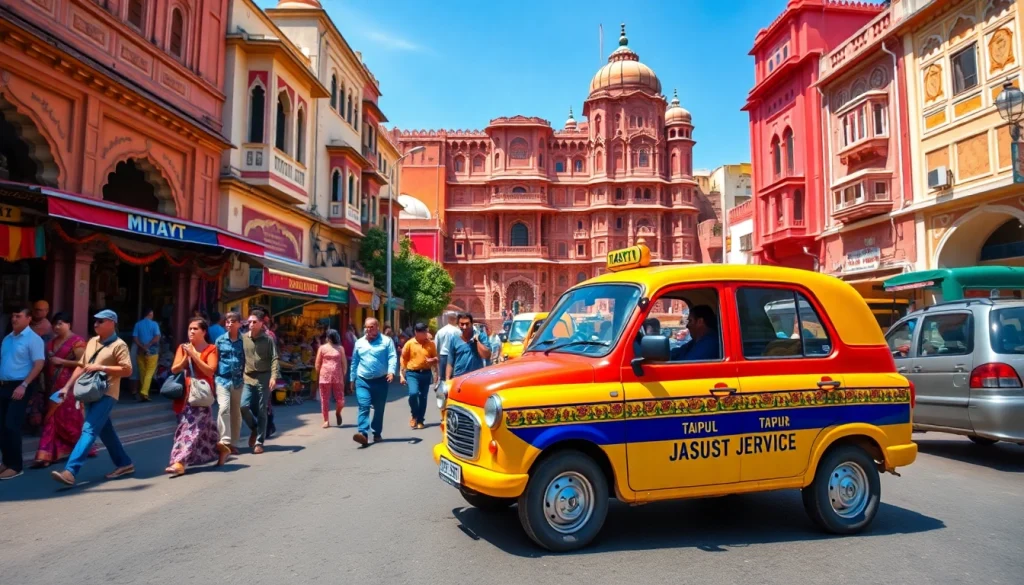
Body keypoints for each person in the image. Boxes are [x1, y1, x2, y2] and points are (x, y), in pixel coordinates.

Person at [50, 310, 134, 486]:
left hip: (107, 393)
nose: (95, 324)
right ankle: (125, 463)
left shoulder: (119, 345)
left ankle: (70, 471)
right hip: (89, 393)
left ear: (111, 323)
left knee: (88, 429)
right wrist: (67, 387)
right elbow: (82, 366)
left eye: (100, 321)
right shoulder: (92, 342)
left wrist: (101, 367)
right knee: (105, 430)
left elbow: (127, 370)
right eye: (94, 321)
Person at [32, 312, 95, 467]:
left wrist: (63, 361)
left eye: (60, 323)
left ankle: (81, 446)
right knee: (51, 420)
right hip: (52, 386)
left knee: (70, 421)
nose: (57, 327)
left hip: (70, 388)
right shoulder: (51, 343)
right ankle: (44, 456)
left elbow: (84, 364)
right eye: (55, 324)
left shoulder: (77, 342)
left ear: (69, 324)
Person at [166, 318, 225, 475]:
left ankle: (179, 462)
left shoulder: (211, 349)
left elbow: (209, 371)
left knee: (188, 429)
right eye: (190, 328)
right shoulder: (182, 347)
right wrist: (186, 357)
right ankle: (221, 449)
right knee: (203, 432)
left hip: (201, 395)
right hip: (184, 395)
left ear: (204, 332)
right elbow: (174, 369)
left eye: (195, 329)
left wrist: (195, 355)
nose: (191, 331)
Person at [0, 308, 46, 480]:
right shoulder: (8, 338)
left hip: (20, 385)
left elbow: (39, 364)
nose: (14, 318)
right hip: (4, 385)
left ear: (28, 318)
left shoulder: (33, 339)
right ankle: (6, 462)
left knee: (12, 425)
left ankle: (16, 465)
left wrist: (24, 385)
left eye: (18, 316)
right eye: (12, 315)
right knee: (2, 427)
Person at [349, 318, 396, 446]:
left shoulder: (386, 341)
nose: (368, 329)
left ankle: (376, 433)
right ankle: (363, 433)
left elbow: (392, 356)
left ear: (378, 327)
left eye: (371, 327)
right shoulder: (359, 343)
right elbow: (354, 362)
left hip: (381, 380)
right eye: (366, 327)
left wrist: (391, 371)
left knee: (379, 408)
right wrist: (352, 379)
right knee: (363, 406)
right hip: (362, 380)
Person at [240, 309, 279, 454]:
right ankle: (254, 428)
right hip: (248, 377)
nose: (250, 324)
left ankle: (259, 442)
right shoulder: (243, 338)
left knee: (262, 410)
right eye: (249, 322)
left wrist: (274, 376)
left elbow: (275, 358)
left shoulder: (268, 339)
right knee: (243, 406)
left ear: (261, 324)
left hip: (264, 377)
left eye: (254, 322)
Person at [214, 311, 244, 455]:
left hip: (239, 381)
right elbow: (215, 360)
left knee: (235, 412)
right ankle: (225, 441)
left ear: (239, 323)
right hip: (222, 379)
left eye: (233, 321)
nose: (229, 323)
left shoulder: (245, 341)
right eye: (227, 321)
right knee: (223, 408)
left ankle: (233, 443)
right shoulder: (220, 341)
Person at [400, 322, 438, 430]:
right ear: (417, 333)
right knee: (413, 393)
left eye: (426, 331)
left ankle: (420, 420)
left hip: (426, 373)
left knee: (423, 397)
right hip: (412, 373)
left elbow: (436, 359)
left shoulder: (431, 344)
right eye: (423, 332)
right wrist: (401, 375)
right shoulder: (410, 344)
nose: (426, 334)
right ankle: (414, 414)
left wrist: (433, 360)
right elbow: (403, 358)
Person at [314, 328, 347, 429]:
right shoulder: (322, 348)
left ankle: (338, 412)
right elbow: (317, 363)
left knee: (340, 400)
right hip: (324, 377)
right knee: (324, 399)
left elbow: (344, 363)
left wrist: (343, 374)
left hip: (338, 377)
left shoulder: (340, 348)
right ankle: (326, 420)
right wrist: (319, 374)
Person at [445, 313, 492, 381]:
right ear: (458, 324)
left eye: (467, 324)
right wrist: (447, 378)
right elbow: (450, 360)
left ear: (472, 324)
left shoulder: (481, 336)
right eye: (462, 324)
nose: (464, 327)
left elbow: (487, 355)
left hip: (476, 377)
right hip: (458, 377)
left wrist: (476, 341)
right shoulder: (454, 339)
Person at [132, 308, 161, 402]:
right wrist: (148, 345)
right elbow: (157, 337)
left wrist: (142, 346)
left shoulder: (138, 324)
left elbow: (135, 337)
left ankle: (144, 394)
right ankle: (144, 392)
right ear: (150, 314)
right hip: (152, 351)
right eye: (152, 314)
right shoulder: (154, 324)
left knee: (142, 372)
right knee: (149, 372)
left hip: (140, 351)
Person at [434, 312, 459, 382]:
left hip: (443, 357)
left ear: (448, 319)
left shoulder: (440, 331)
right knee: (454, 377)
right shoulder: (458, 331)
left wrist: (437, 360)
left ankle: (445, 392)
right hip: (455, 356)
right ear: (455, 319)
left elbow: (436, 347)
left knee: (443, 378)